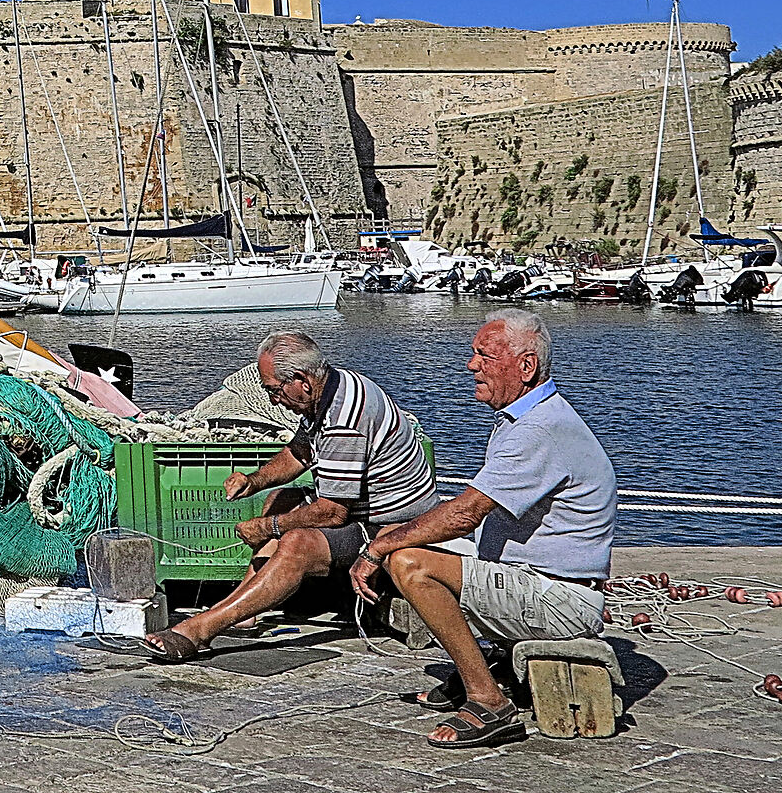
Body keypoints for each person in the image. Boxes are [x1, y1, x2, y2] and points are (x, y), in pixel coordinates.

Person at [350, 309, 617, 749]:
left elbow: (464, 514)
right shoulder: (529, 418)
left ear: (526, 366)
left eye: (483, 356)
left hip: (561, 599)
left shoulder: (539, 429)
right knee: (403, 535)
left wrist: (379, 548)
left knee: (411, 562)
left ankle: (489, 701)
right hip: (537, 579)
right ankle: (487, 667)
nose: (472, 365)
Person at [142, 330, 438, 660]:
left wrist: (268, 528)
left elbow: (333, 513)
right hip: (362, 509)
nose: (272, 400)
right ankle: (245, 608)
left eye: (274, 390)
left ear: (300, 381)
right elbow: (299, 452)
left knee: (296, 543)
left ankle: (199, 631)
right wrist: (253, 481)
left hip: (393, 523)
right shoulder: (330, 389)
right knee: (280, 500)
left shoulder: (346, 419)